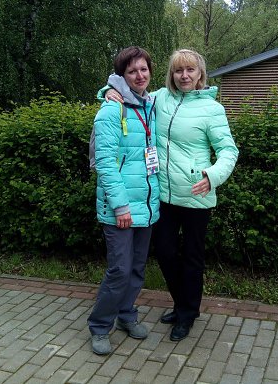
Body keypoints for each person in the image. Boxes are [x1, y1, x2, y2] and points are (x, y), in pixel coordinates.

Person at [102, 49, 238, 342]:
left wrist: (212, 176)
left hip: (196, 195)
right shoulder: (160, 99)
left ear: (200, 74)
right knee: (164, 252)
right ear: (171, 74)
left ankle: (187, 313)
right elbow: (131, 94)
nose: (184, 76)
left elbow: (229, 151)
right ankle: (181, 303)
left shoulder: (212, 109)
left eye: (190, 70)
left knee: (192, 258)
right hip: (163, 194)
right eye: (178, 71)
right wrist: (107, 92)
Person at [87, 46, 160, 355]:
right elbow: (104, 164)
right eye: (132, 71)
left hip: (147, 205)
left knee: (137, 269)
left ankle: (127, 314)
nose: (139, 75)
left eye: (143, 69)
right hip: (121, 208)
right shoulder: (110, 110)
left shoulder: (151, 105)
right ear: (122, 75)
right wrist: (120, 206)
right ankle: (100, 326)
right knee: (119, 270)